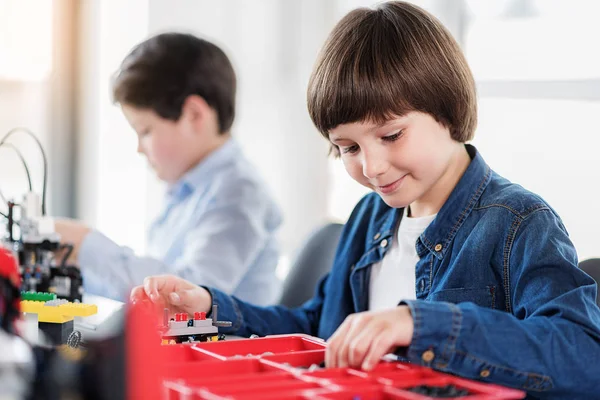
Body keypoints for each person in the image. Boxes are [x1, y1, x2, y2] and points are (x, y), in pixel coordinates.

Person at [130, 3, 600, 398]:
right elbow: (317, 326)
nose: (371, 167)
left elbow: (583, 354)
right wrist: (212, 308)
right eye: (348, 148)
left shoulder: (518, 222)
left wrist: (420, 325)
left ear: (448, 108)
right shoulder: (372, 217)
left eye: (391, 134)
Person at [56, 33, 282, 305]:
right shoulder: (186, 189)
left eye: (145, 131)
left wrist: (86, 245)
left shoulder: (239, 193)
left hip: (228, 346)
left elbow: (188, 294)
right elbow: (145, 286)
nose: (140, 148)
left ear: (193, 115)